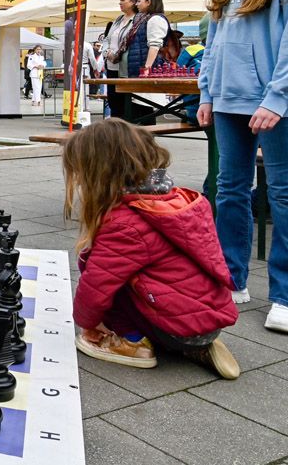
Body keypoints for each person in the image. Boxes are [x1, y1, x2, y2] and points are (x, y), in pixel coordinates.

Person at [65, 119, 240, 378]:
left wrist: (87, 322)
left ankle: (133, 343)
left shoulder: (125, 224)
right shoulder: (177, 199)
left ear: (100, 173)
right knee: (122, 266)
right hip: (206, 319)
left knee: (96, 265)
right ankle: (196, 344)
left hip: (175, 328)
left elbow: (96, 285)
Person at [198, 0, 288, 333]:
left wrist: (277, 97)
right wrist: (207, 90)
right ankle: (231, 279)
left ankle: (284, 294)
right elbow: (213, 37)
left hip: (274, 103)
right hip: (227, 99)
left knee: (282, 193)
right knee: (229, 189)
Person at [102, 0, 141, 118]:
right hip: (111, 66)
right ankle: (116, 127)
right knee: (113, 101)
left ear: (133, 2)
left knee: (126, 102)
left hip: (125, 68)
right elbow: (107, 39)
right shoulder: (118, 19)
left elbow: (132, 43)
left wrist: (117, 55)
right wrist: (107, 52)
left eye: (122, 0)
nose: (120, 3)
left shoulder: (138, 20)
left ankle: (125, 127)